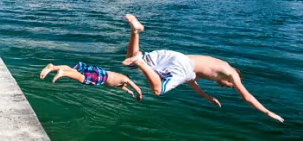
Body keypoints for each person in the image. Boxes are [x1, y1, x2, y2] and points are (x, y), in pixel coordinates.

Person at [121, 14, 284, 122]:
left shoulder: (216, 65)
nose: (226, 86)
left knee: (131, 59)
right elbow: (246, 97)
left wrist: (207, 97)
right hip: (182, 65)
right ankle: (141, 61)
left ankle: (136, 31)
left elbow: (190, 80)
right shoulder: (231, 73)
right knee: (157, 90)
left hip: (175, 57)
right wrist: (268, 113)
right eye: (230, 86)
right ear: (236, 78)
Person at [40, 62, 142, 101]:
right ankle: (62, 73)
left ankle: (53, 67)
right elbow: (136, 87)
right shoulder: (126, 79)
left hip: (99, 71)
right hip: (101, 77)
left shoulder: (120, 80)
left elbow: (121, 87)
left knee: (74, 70)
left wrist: (128, 91)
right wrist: (139, 94)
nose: (124, 86)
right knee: (82, 79)